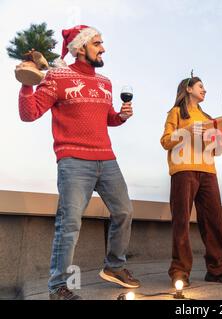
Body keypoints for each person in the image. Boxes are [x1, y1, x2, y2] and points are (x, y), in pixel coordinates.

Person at [18, 25, 140, 300]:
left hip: (107, 159)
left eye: (102, 42)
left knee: (124, 212)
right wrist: (27, 81)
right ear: (80, 47)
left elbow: (106, 117)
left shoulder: (105, 82)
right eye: (97, 43)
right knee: (69, 224)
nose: (103, 48)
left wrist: (121, 116)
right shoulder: (57, 77)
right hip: (73, 161)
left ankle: (115, 266)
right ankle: (58, 286)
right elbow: (30, 113)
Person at [160, 74, 222, 288]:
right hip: (183, 170)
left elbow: (215, 150)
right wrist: (186, 130)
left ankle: (218, 268)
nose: (204, 90)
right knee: (181, 221)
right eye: (200, 86)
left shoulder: (207, 116)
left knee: (213, 220)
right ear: (188, 89)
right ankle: (179, 271)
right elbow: (166, 141)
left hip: (208, 172)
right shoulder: (176, 112)